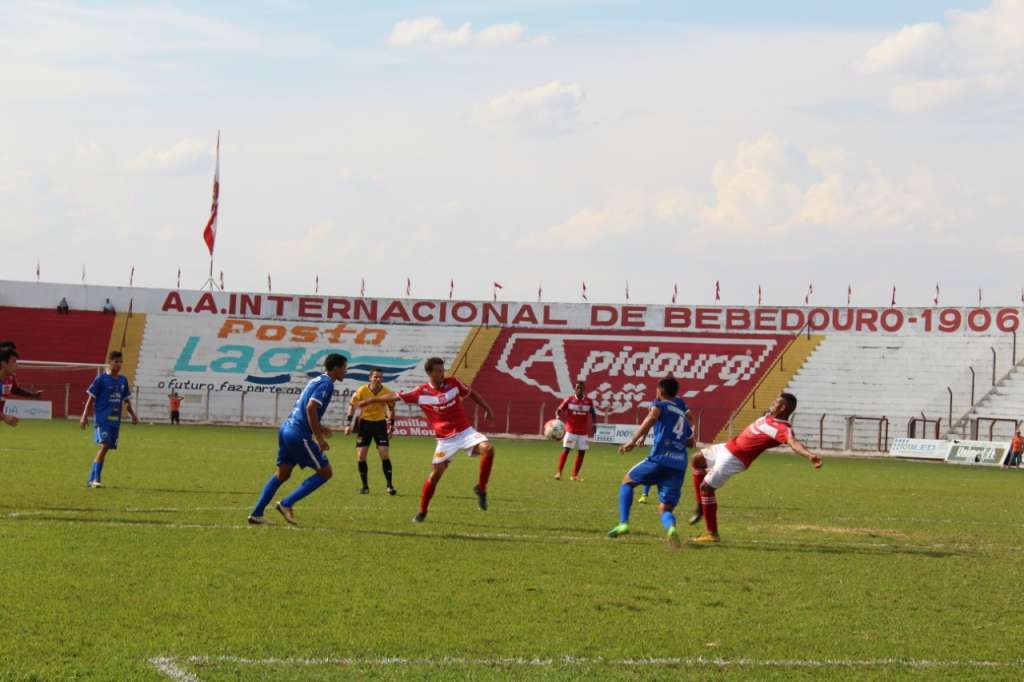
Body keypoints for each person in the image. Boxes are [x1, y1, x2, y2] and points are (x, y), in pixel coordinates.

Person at [358, 357, 495, 524]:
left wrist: (487, 409)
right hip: (445, 440)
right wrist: (372, 399)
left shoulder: (453, 382)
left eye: (443, 370)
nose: (442, 374)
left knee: (488, 449)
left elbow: (472, 393)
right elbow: (395, 396)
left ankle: (481, 488)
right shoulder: (420, 392)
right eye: (438, 371)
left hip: (465, 432)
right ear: (429, 373)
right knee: (435, 475)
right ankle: (422, 511)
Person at [689, 392, 822, 543]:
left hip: (734, 458)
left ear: (783, 407)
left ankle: (712, 534)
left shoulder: (783, 429)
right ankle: (701, 505)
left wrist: (810, 455)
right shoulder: (768, 417)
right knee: (696, 460)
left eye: (775, 402)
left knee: (706, 488)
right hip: (727, 447)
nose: (772, 403)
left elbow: (793, 442)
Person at [248, 353, 347, 525]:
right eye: (344, 368)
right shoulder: (326, 384)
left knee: (282, 473)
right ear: (336, 368)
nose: (346, 371)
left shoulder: (316, 380)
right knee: (325, 472)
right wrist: (319, 437)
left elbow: (306, 408)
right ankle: (286, 503)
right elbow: (310, 408)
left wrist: (320, 427)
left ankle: (257, 513)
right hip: (298, 434)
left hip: (287, 429)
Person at [607, 378, 694, 549]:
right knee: (665, 509)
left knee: (627, 482)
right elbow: (692, 443)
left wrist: (633, 440)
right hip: (678, 465)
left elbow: (652, 417)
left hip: (660, 458)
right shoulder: (683, 416)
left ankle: (623, 523)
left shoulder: (659, 405)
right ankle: (671, 529)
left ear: (660, 391)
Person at [80, 351, 138, 487]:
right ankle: (95, 479)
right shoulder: (101, 379)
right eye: (116, 361)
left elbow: (125, 400)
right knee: (104, 445)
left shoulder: (123, 380)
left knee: (105, 449)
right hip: (102, 420)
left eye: (120, 362)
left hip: (115, 421)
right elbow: (90, 398)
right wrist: (84, 416)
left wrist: (133, 414)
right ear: (110, 361)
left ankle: (92, 478)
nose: (119, 364)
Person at [345, 368, 397, 495]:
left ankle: (390, 486)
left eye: (380, 377)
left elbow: (391, 409)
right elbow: (352, 406)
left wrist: (391, 426)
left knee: (384, 454)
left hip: (380, 424)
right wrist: (348, 424)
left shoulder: (387, 392)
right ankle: (365, 487)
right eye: (375, 377)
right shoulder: (362, 390)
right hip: (365, 425)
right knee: (361, 456)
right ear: (370, 378)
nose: (378, 379)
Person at [554, 381, 597, 481]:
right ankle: (559, 473)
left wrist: (594, 424)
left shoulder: (589, 401)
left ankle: (574, 475)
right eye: (578, 388)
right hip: (571, 431)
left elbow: (593, 413)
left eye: (581, 388)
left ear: (584, 389)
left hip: (583, 433)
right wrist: (557, 417)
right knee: (566, 450)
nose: (579, 389)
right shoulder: (569, 400)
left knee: (582, 452)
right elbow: (559, 410)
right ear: (575, 389)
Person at [0, 348, 21, 429]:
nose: (17, 365)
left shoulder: (9, 378)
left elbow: (16, 390)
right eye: (13, 361)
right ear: (3, 364)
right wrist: (5, 417)